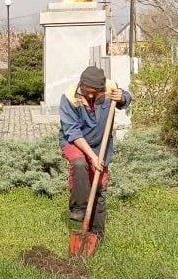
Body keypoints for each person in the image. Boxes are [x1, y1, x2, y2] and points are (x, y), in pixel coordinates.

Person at [58, 66, 131, 238]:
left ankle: (97, 235)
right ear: (81, 84)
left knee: (100, 187)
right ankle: (79, 208)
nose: (90, 96)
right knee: (79, 163)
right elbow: (73, 132)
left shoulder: (110, 88)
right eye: (87, 92)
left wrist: (122, 97)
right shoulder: (69, 97)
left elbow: (127, 98)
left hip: (101, 144)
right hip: (74, 142)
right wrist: (92, 156)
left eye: (94, 92)